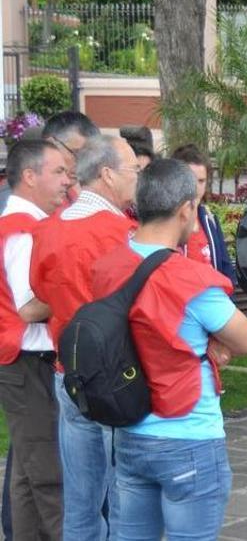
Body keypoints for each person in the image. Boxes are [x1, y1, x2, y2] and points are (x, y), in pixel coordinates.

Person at [90, 159, 247, 540]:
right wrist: (213, 341)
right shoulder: (190, 279)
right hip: (189, 431)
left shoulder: (107, 267)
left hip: (131, 427)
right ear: (186, 208)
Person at [30, 134, 139, 539]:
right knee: (126, 495)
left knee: (81, 500)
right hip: (118, 377)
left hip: (68, 372)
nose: (138, 179)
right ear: (107, 174)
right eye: (134, 170)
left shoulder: (50, 229)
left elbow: (42, 293)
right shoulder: (123, 235)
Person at [0, 140, 72, 540]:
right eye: (58, 172)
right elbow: (29, 307)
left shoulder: (25, 226)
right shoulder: (24, 231)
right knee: (48, 473)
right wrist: (77, 290)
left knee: (29, 474)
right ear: (30, 177)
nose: (67, 181)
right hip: (26, 359)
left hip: (26, 358)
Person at [170, 144, 235, 283]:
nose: (196, 187)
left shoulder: (208, 219)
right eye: (190, 180)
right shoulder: (166, 221)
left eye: (201, 181)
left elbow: (225, 265)